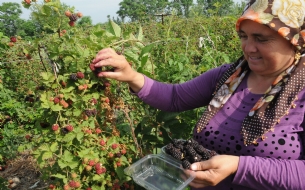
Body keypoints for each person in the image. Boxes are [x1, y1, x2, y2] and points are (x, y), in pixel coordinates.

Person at [91, 0, 305, 189]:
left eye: (261, 38)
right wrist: (131, 76)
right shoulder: (229, 77)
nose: (248, 48)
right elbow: (175, 97)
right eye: (244, 36)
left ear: (295, 39)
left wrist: (238, 166)